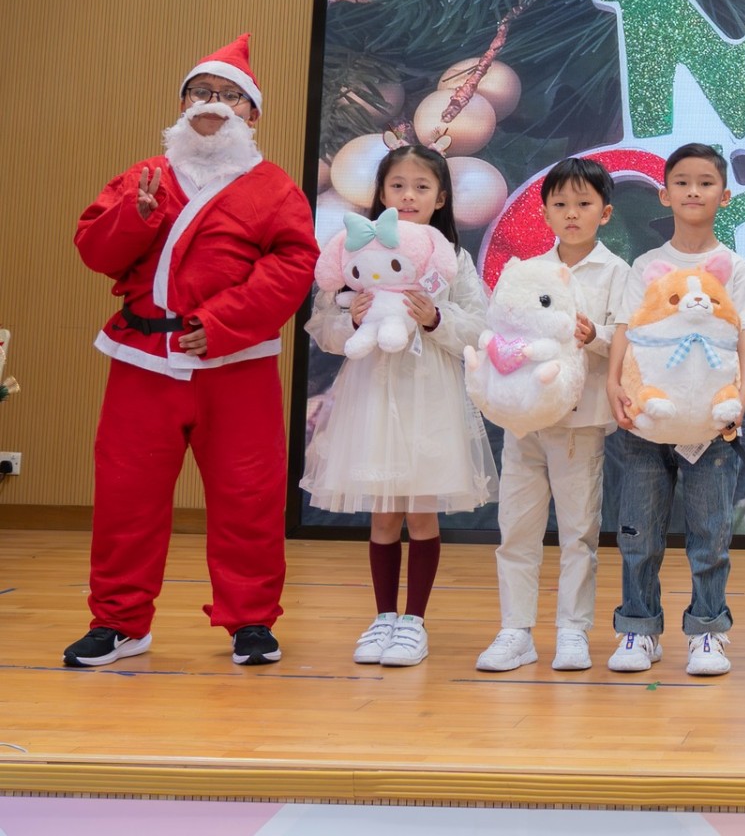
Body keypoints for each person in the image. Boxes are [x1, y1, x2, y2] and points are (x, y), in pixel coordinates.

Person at [66, 35, 319, 668]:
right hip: (143, 361)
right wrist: (136, 215)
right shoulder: (143, 178)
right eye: (201, 92)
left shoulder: (274, 189)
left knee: (249, 496)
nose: (213, 103)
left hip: (236, 366)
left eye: (230, 96)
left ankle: (251, 621)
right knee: (125, 496)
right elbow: (95, 251)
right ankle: (119, 621)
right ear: (182, 105)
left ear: (252, 113)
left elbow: (295, 263)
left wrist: (226, 322)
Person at [303, 142, 498, 666]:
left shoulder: (452, 258)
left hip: (430, 395)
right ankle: (383, 616)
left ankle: (414, 621)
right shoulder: (353, 252)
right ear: (381, 194)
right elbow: (323, 326)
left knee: (421, 513)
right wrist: (351, 319)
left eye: (421, 187)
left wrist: (435, 319)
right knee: (384, 514)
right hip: (371, 391)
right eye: (397, 186)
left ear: (441, 198)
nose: (408, 196)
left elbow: (479, 327)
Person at [604, 143, 745, 677]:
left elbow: (744, 337)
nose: (693, 191)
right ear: (664, 193)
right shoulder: (646, 266)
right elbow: (625, 330)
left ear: (725, 195)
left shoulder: (736, 268)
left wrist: (741, 397)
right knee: (638, 533)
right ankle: (638, 628)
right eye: (682, 182)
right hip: (646, 421)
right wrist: (613, 383)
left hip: (710, 426)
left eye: (705, 182)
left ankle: (707, 631)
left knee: (710, 535)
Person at [476, 158, 628, 674]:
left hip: (580, 423)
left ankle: (572, 631)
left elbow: (628, 338)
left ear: (605, 213)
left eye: (584, 204)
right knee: (516, 528)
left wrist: (595, 335)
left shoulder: (616, 272)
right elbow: (504, 327)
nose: (572, 213)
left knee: (579, 532)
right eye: (560, 204)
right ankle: (515, 631)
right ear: (543, 213)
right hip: (526, 420)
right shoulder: (527, 271)